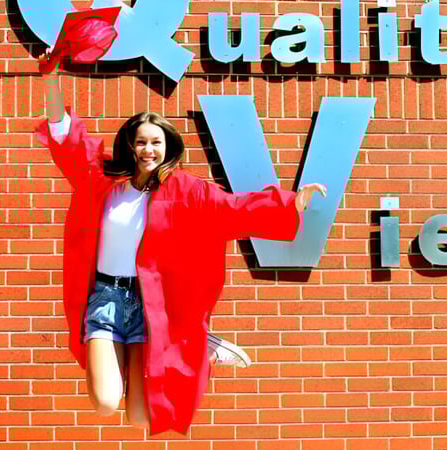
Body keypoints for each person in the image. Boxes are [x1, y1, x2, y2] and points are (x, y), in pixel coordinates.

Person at [34, 50, 327, 435]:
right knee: (105, 401)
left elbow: (234, 211)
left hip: (152, 306)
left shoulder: (186, 191)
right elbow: (67, 138)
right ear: (129, 146)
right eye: (141, 142)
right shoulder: (101, 182)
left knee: (142, 417)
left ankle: (200, 342)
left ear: (168, 147)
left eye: (156, 142)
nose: (148, 150)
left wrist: (292, 202)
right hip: (106, 299)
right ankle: (198, 342)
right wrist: (51, 82)